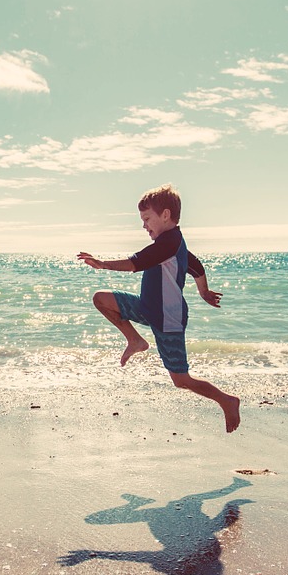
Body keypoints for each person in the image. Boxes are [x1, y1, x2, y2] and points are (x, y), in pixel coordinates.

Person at [78, 184, 241, 433]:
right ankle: (135, 340)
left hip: (168, 318)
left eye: (147, 219)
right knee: (101, 299)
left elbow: (137, 263)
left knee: (181, 380)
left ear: (165, 215)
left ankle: (226, 400)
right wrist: (204, 291)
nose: (144, 226)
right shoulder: (174, 243)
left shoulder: (169, 243)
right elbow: (195, 266)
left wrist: (102, 264)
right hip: (148, 307)